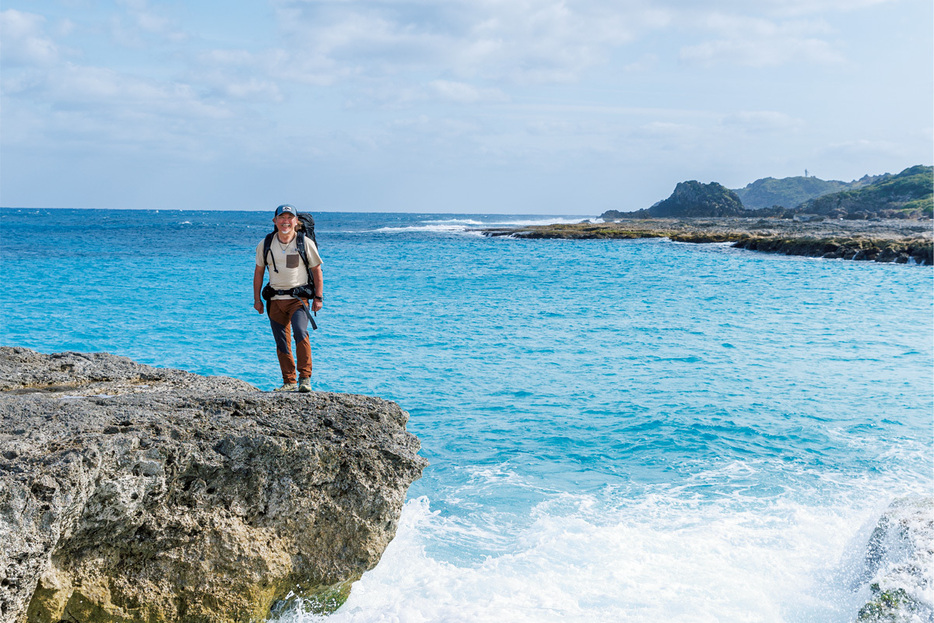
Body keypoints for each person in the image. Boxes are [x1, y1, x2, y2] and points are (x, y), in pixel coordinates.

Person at [253, 204, 323, 392]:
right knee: (281, 341)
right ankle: (289, 381)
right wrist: (257, 299)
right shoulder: (266, 243)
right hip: (275, 300)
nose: (285, 221)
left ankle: (305, 379)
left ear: (296, 221)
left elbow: (317, 270)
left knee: (300, 332)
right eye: (281, 218)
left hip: (297, 300)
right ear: (275, 221)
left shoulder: (304, 242)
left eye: (289, 218)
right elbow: (258, 272)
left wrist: (318, 297)